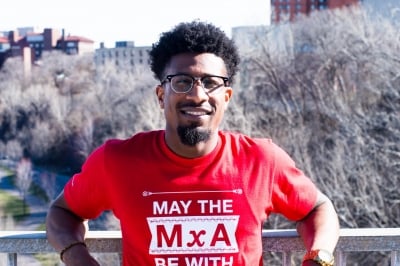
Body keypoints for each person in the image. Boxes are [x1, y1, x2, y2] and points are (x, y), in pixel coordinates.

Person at [46, 21, 340, 266]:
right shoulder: (117, 161)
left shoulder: (262, 160)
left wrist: (318, 258)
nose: (198, 95)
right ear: (161, 96)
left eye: (211, 82)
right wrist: (79, 258)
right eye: (182, 82)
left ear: (226, 97)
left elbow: (317, 208)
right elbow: (62, 212)